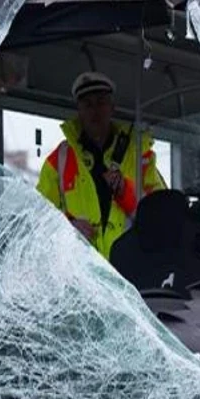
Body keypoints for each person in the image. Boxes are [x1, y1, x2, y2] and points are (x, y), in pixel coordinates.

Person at [36, 71, 167, 260]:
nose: (94, 110)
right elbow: (39, 218)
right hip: (82, 273)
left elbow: (160, 217)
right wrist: (67, 228)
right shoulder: (59, 160)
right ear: (79, 111)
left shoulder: (139, 154)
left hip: (130, 269)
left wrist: (125, 192)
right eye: (87, 104)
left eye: (101, 102)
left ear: (112, 108)